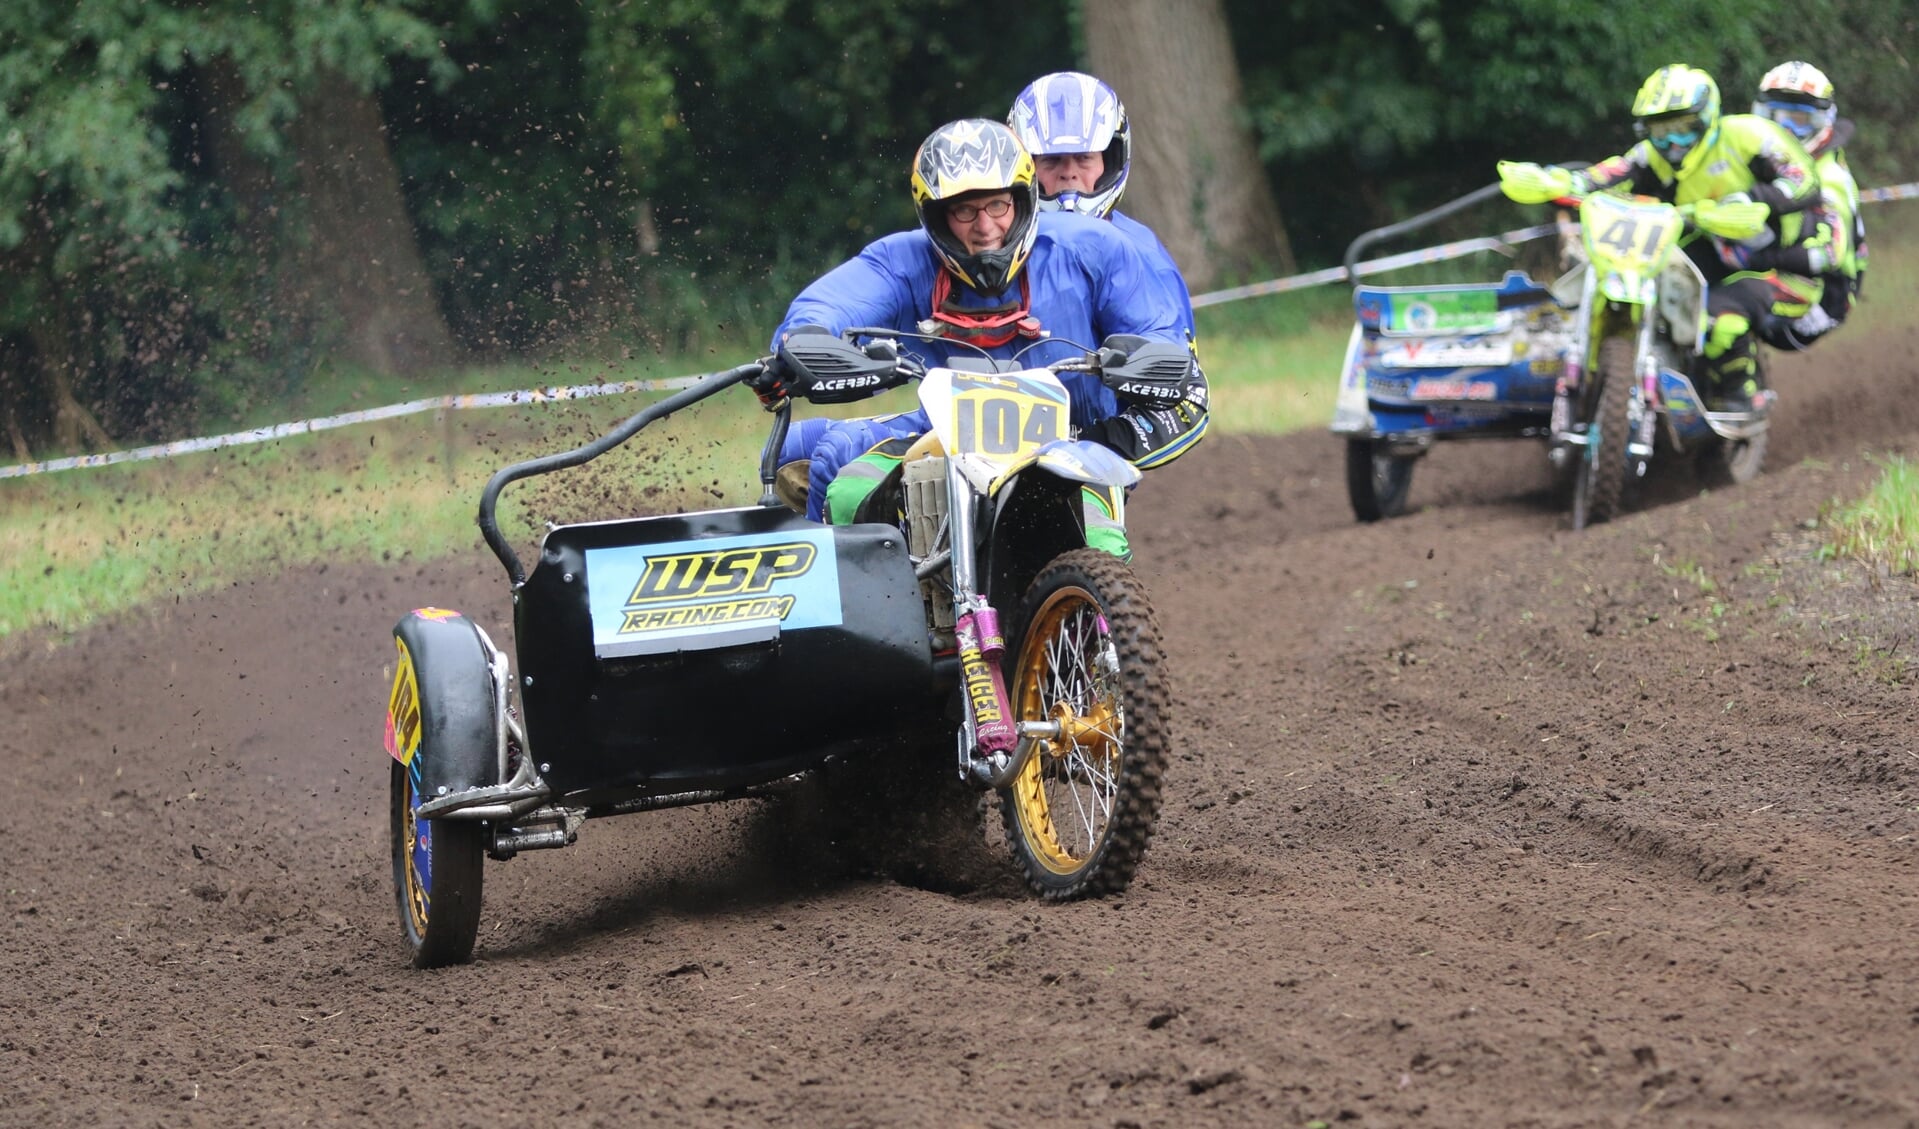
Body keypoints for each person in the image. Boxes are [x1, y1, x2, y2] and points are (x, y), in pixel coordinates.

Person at [761, 118, 1197, 559]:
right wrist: (806, 341)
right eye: (965, 211)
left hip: (1075, 441)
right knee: (823, 463)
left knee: (1101, 541)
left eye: (997, 207)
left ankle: (1103, 625)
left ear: (1023, 202)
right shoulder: (902, 259)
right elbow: (828, 305)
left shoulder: (1094, 247)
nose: (985, 226)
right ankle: (843, 613)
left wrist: (1149, 358)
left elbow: (1159, 333)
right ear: (936, 217)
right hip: (944, 432)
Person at [1497, 64, 1824, 411]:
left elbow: (1804, 180)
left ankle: (1737, 397)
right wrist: (1555, 182)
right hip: (1707, 249)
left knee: (1720, 320)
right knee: (1650, 281)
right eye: (1660, 131)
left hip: (1777, 262)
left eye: (1682, 130)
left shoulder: (1749, 136)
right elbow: (1603, 176)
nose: (1672, 144)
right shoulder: (1651, 156)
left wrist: (1753, 201)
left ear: (1706, 117)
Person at [1007, 71, 1209, 469]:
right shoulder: (980, 240)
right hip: (973, 432)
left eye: (1084, 158)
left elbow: (1184, 389)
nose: (1069, 173)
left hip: (1080, 455)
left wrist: (1092, 445)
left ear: (1111, 160)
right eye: (1050, 160)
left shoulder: (1142, 254)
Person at [1751, 61, 1866, 345]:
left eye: (1798, 121)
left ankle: (1738, 387)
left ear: (1820, 122)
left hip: (1827, 295)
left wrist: (1759, 257)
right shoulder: (1766, 159)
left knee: (1724, 310)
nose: (1785, 130)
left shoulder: (1828, 178)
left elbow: (1830, 254)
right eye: (1775, 117)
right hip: (1788, 270)